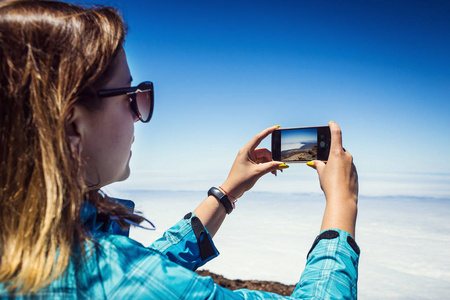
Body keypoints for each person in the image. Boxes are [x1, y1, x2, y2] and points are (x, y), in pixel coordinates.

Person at [0, 0, 359, 299]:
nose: (139, 113)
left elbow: (148, 270)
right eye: (128, 96)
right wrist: (342, 204)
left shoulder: (29, 245)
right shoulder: (101, 278)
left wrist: (226, 192)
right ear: (74, 125)